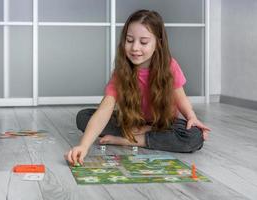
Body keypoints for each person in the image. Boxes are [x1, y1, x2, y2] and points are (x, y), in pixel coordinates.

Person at [66, 10, 210, 166]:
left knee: (195, 135)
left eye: (143, 42)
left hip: (161, 124)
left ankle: (132, 140)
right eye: (129, 40)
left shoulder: (169, 65)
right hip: (132, 122)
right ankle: (141, 134)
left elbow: (180, 98)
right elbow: (105, 109)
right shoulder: (121, 72)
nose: (135, 47)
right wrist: (84, 145)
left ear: (158, 43)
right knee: (84, 117)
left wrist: (191, 117)